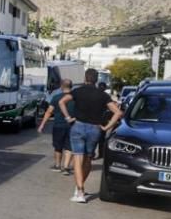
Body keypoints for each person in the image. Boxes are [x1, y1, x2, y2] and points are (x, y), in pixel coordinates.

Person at [58, 68, 123, 203]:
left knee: (77, 158)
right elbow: (118, 112)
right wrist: (107, 127)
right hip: (95, 129)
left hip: (78, 126)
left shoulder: (77, 91)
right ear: (96, 79)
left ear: (85, 78)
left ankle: (80, 191)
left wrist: (68, 117)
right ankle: (79, 188)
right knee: (88, 159)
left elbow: (61, 102)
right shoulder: (103, 95)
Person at [38, 78, 74, 175]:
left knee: (58, 147)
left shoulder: (56, 97)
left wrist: (42, 125)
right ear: (71, 86)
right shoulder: (75, 97)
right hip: (72, 125)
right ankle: (66, 168)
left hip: (58, 125)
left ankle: (58, 165)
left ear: (61, 86)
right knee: (69, 146)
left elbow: (49, 112)